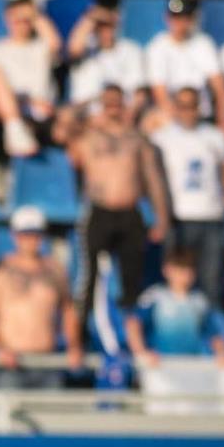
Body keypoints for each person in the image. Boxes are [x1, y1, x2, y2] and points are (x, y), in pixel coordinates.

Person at [65, 84, 169, 323]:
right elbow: (63, 124)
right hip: (99, 212)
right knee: (90, 275)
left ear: (125, 105)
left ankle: (129, 331)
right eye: (108, 104)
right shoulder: (88, 136)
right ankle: (84, 330)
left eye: (117, 103)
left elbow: (153, 180)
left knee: (132, 275)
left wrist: (161, 217)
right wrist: (90, 100)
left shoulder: (137, 139)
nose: (113, 109)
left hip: (130, 213)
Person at [151, 85, 224, 313]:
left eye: (192, 105)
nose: (187, 111)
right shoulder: (162, 137)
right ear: (175, 108)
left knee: (212, 280)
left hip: (212, 217)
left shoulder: (214, 136)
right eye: (182, 106)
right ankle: (177, 331)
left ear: (199, 107)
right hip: (179, 217)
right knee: (178, 283)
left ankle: (213, 339)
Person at [0, 205, 80, 388]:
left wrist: (73, 345)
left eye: (35, 234)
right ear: (14, 236)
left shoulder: (55, 271)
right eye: (25, 234)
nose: (31, 240)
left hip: (47, 361)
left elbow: (68, 310)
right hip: (11, 364)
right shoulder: (0, 272)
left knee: (53, 415)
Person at [126, 249, 224, 372]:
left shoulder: (200, 301)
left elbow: (214, 333)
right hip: (159, 366)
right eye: (179, 269)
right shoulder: (154, 296)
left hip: (193, 367)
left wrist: (222, 353)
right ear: (166, 270)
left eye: (188, 270)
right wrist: (141, 352)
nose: (184, 274)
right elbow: (133, 323)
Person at [0, 0, 58, 157]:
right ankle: (15, 129)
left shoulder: (41, 47)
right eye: (17, 19)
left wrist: (35, 14)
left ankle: (18, 133)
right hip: (5, 113)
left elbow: (55, 44)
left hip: (41, 113)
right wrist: (28, 101)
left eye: (26, 20)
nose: (22, 24)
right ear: (8, 19)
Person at [144, 0, 224, 125]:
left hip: (202, 115)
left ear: (192, 19)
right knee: (151, 122)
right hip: (172, 116)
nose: (180, 23)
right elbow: (160, 94)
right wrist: (182, 120)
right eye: (176, 17)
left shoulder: (203, 43)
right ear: (167, 18)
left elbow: (220, 89)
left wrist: (223, 122)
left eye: (185, 18)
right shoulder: (157, 47)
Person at [66, 0, 146, 116]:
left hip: (121, 117)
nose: (106, 30)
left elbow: (140, 94)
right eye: (100, 25)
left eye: (109, 25)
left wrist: (127, 117)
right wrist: (93, 17)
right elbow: (73, 48)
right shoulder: (85, 50)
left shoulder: (131, 50)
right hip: (87, 118)